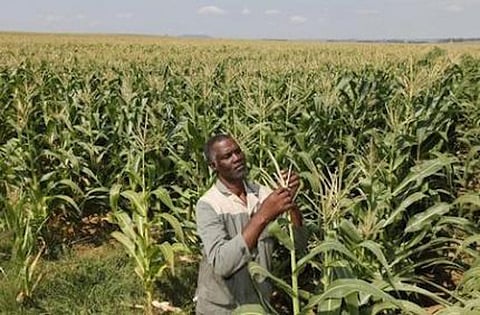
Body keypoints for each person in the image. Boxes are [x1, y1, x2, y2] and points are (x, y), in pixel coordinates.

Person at [194, 134, 303, 314]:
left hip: (259, 305)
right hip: (222, 309)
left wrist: (291, 202)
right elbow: (222, 264)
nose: (236, 158)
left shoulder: (263, 194)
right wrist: (263, 216)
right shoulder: (208, 205)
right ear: (214, 166)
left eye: (238, 152)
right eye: (227, 156)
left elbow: (297, 245)